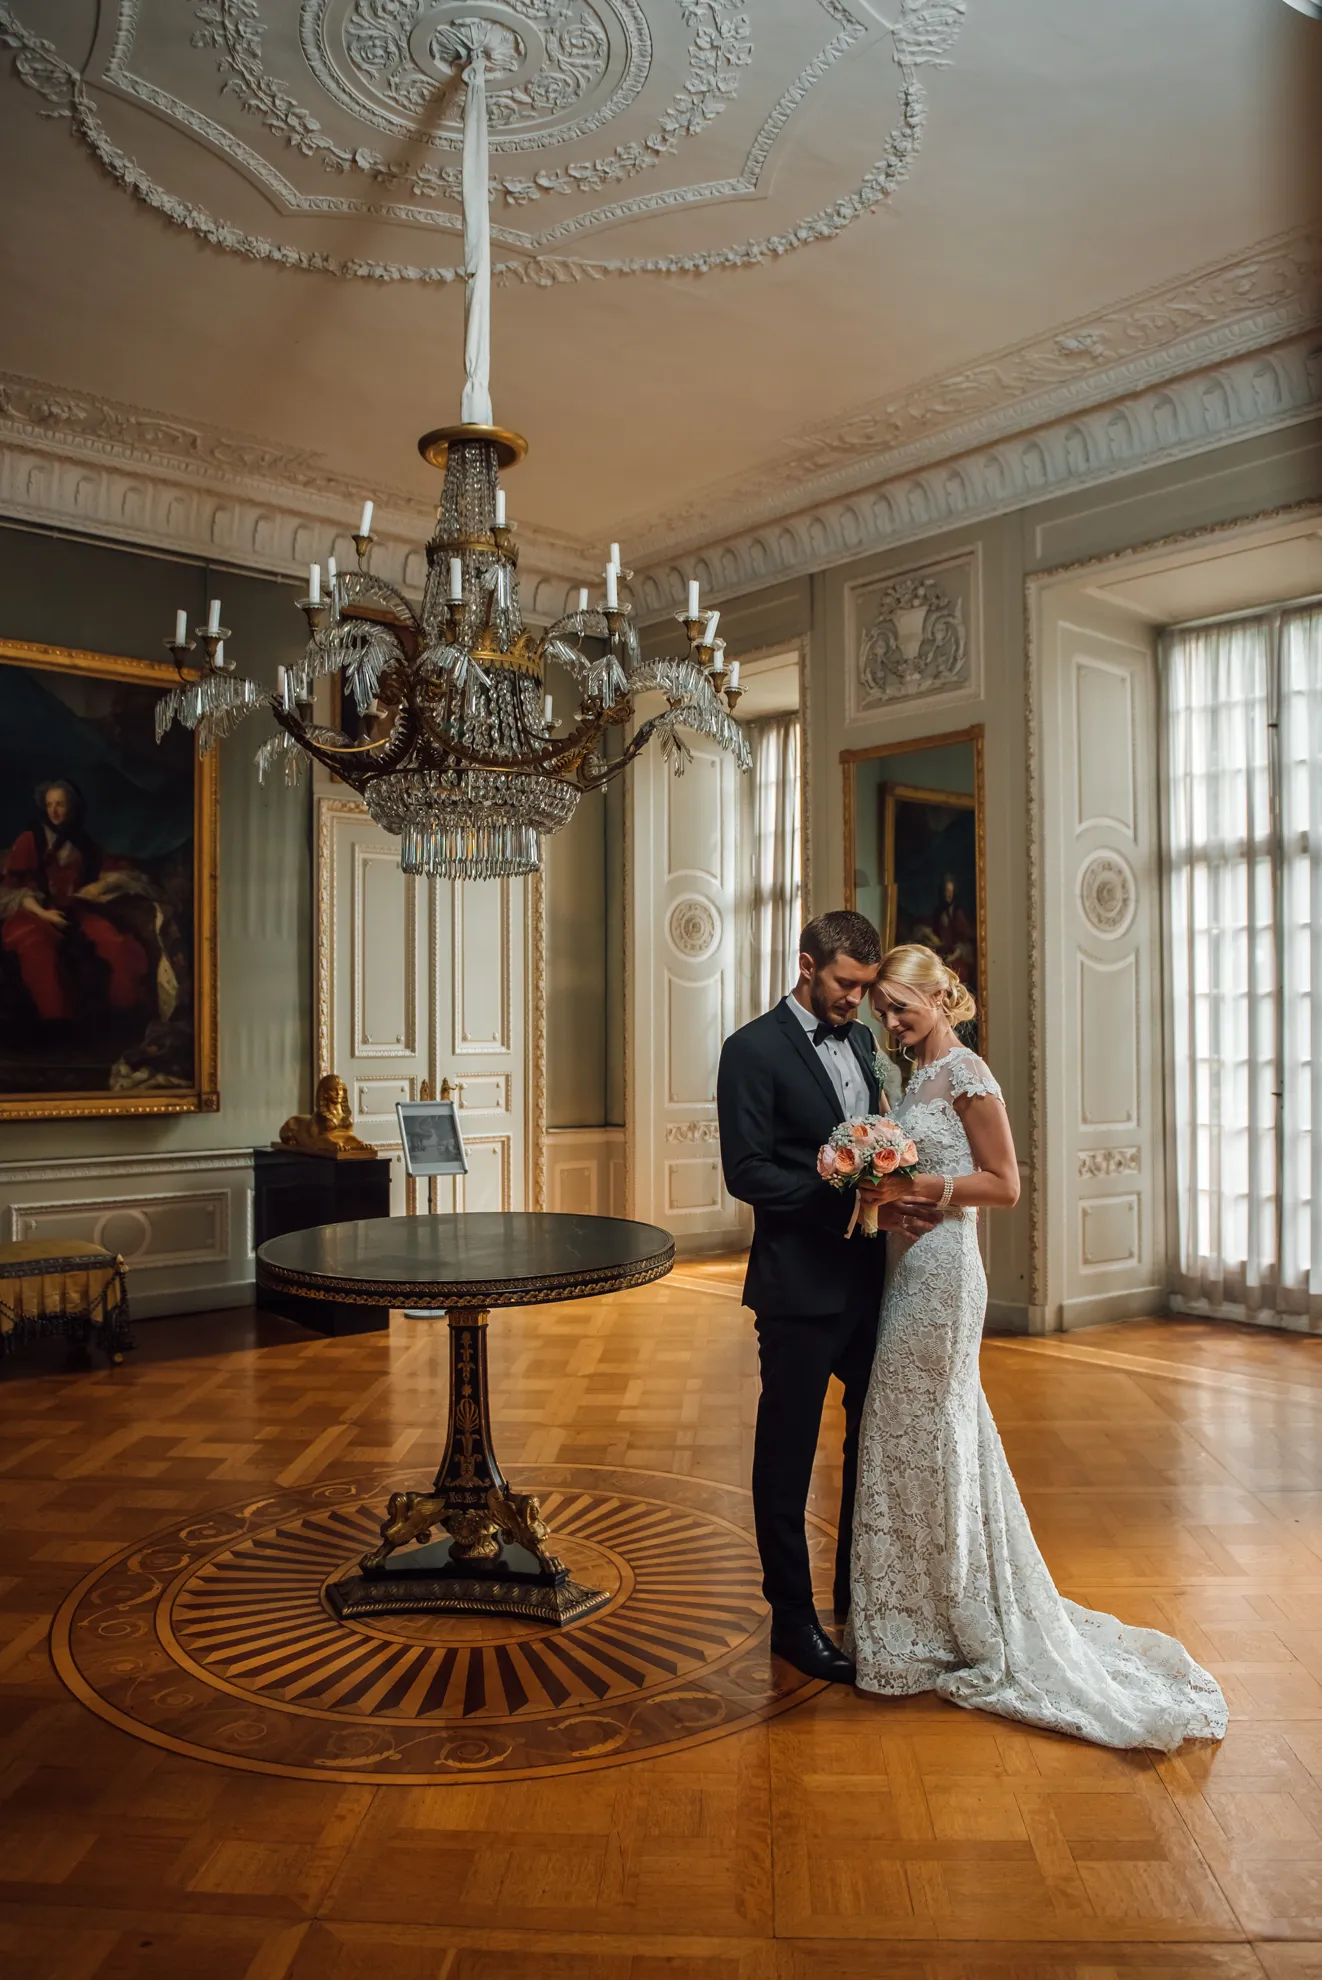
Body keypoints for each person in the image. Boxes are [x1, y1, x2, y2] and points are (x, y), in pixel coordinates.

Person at [847, 943, 1227, 1750]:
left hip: (947, 1275)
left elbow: (1006, 1185)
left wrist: (916, 1188)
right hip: (909, 1268)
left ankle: (953, 1616)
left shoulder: (969, 1075)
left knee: (931, 1431)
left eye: (900, 1008)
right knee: (912, 1434)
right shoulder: (912, 1078)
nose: (890, 1021)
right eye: (882, 1010)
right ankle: (917, 1611)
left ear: (938, 999)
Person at [716, 911, 939, 1685]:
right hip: (797, 1288)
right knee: (787, 1453)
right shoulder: (750, 1050)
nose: (856, 1000)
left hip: (871, 1283)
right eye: (847, 984)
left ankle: (857, 1592)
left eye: (867, 988)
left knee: (872, 1441)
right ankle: (793, 1619)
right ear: (806, 965)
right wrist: (844, 1194)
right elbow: (746, 1172)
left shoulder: (867, 1045)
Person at [0, 779, 152, 1030]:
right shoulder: (31, 839)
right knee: (37, 943)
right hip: (33, 911)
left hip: (76, 910)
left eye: (60, 804)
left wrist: (98, 887)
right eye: (49, 805)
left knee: (117, 942)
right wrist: (45, 915)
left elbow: (114, 870)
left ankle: (126, 1017)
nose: (54, 811)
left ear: (73, 807)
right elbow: (16, 887)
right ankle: (58, 1022)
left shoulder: (83, 842)